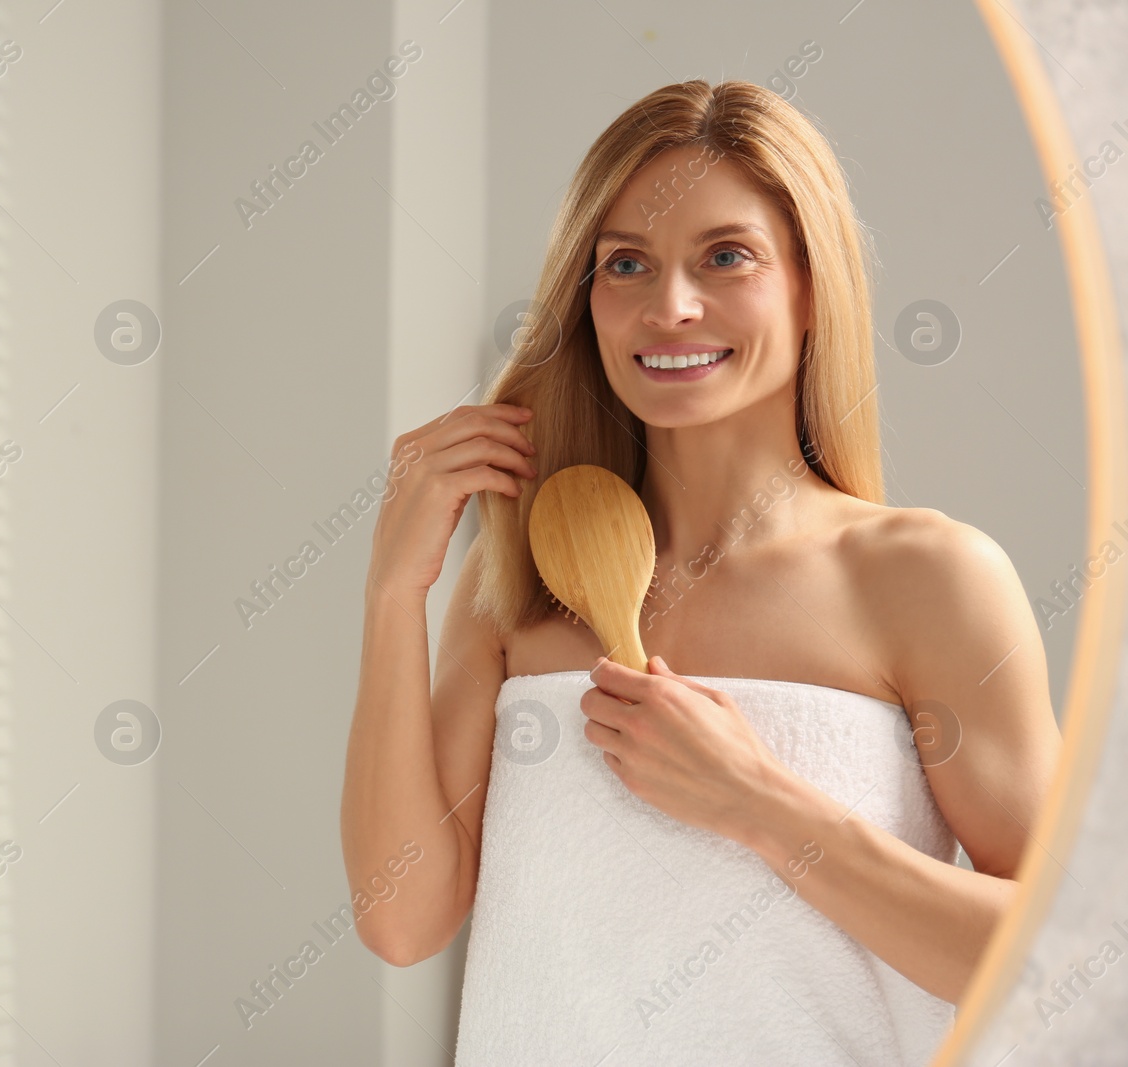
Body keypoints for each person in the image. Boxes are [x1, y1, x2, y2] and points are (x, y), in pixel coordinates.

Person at [339, 78, 1060, 1065]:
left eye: (726, 256)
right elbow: (402, 921)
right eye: (624, 264)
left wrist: (759, 803)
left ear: (809, 286)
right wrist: (392, 595)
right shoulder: (521, 580)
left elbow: (1055, 957)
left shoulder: (924, 577)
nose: (669, 307)